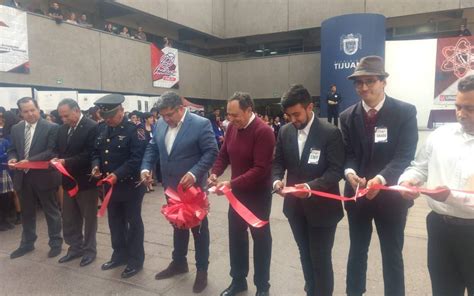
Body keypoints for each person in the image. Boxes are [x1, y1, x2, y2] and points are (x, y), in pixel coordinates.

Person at [340, 56, 418, 296]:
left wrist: (381, 180)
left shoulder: (404, 112)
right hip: (358, 196)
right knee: (357, 252)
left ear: (384, 82)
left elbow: (404, 156)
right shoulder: (346, 116)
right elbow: (348, 153)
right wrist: (350, 173)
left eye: (370, 81)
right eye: (359, 82)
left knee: (392, 255)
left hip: (391, 199)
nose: (364, 88)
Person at [398, 74, 474, 296]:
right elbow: (419, 167)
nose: (461, 114)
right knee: (443, 290)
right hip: (440, 227)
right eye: (458, 106)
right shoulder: (440, 136)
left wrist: (448, 197)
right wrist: (408, 181)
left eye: (469, 108)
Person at [140, 91, 218, 293]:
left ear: (180, 108)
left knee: (199, 231)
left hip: (192, 191)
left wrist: (194, 172)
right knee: (177, 226)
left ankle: (202, 270)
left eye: (169, 115)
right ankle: (179, 262)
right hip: (171, 188)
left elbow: (212, 152)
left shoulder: (200, 124)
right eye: (162, 115)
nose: (166, 119)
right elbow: (152, 148)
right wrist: (146, 168)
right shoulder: (160, 125)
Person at [272, 84, 345, 296]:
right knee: (305, 254)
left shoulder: (330, 133)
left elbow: (336, 170)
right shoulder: (285, 132)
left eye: (296, 114)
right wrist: (276, 180)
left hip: (323, 210)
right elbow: (277, 163)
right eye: (288, 115)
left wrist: (311, 187)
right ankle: (311, 290)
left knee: (320, 258)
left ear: (310, 107)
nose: (293, 120)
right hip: (295, 209)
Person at [209, 92, 275, 296]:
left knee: (261, 240)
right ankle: (238, 280)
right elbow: (224, 155)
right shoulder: (231, 128)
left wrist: (230, 183)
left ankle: (262, 286)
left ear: (249, 110)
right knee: (236, 238)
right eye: (228, 114)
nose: (231, 119)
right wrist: (214, 173)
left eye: (235, 114)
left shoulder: (264, 132)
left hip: (258, 196)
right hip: (236, 195)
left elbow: (260, 169)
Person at [91, 94, 148, 278]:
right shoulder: (101, 128)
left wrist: (118, 174)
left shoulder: (135, 130)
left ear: (122, 111)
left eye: (112, 118)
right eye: (105, 118)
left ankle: (135, 260)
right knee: (114, 222)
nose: (109, 121)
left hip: (129, 185)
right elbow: (96, 152)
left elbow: (136, 158)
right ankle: (119, 255)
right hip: (109, 185)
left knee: (133, 222)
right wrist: (96, 166)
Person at [8, 97, 63, 259]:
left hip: (44, 177)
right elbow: (12, 149)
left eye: (33, 110)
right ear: (20, 113)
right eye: (26, 111)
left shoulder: (52, 127)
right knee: (27, 213)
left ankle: (55, 243)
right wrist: (12, 158)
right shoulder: (16, 129)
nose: (30, 114)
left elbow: (52, 151)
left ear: (38, 109)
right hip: (23, 178)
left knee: (51, 211)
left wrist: (30, 161)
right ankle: (27, 243)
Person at [54, 99, 98, 267]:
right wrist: (55, 158)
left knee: (89, 219)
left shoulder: (92, 127)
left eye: (66, 115)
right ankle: (74, 248)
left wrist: (66, 162)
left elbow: (90, 154)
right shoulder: (62, 129)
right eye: (61, 116)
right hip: (67, 182)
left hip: (86, 182)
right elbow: (58, 149)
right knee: (70, 218)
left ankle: (89, 251)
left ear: (77, 110)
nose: (63, 119)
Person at [0, 113, 15, 231]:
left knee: (5, 197)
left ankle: (4, 219)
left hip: (4, 172)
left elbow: (9, 153)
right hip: (3, 170)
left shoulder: (5, 140)